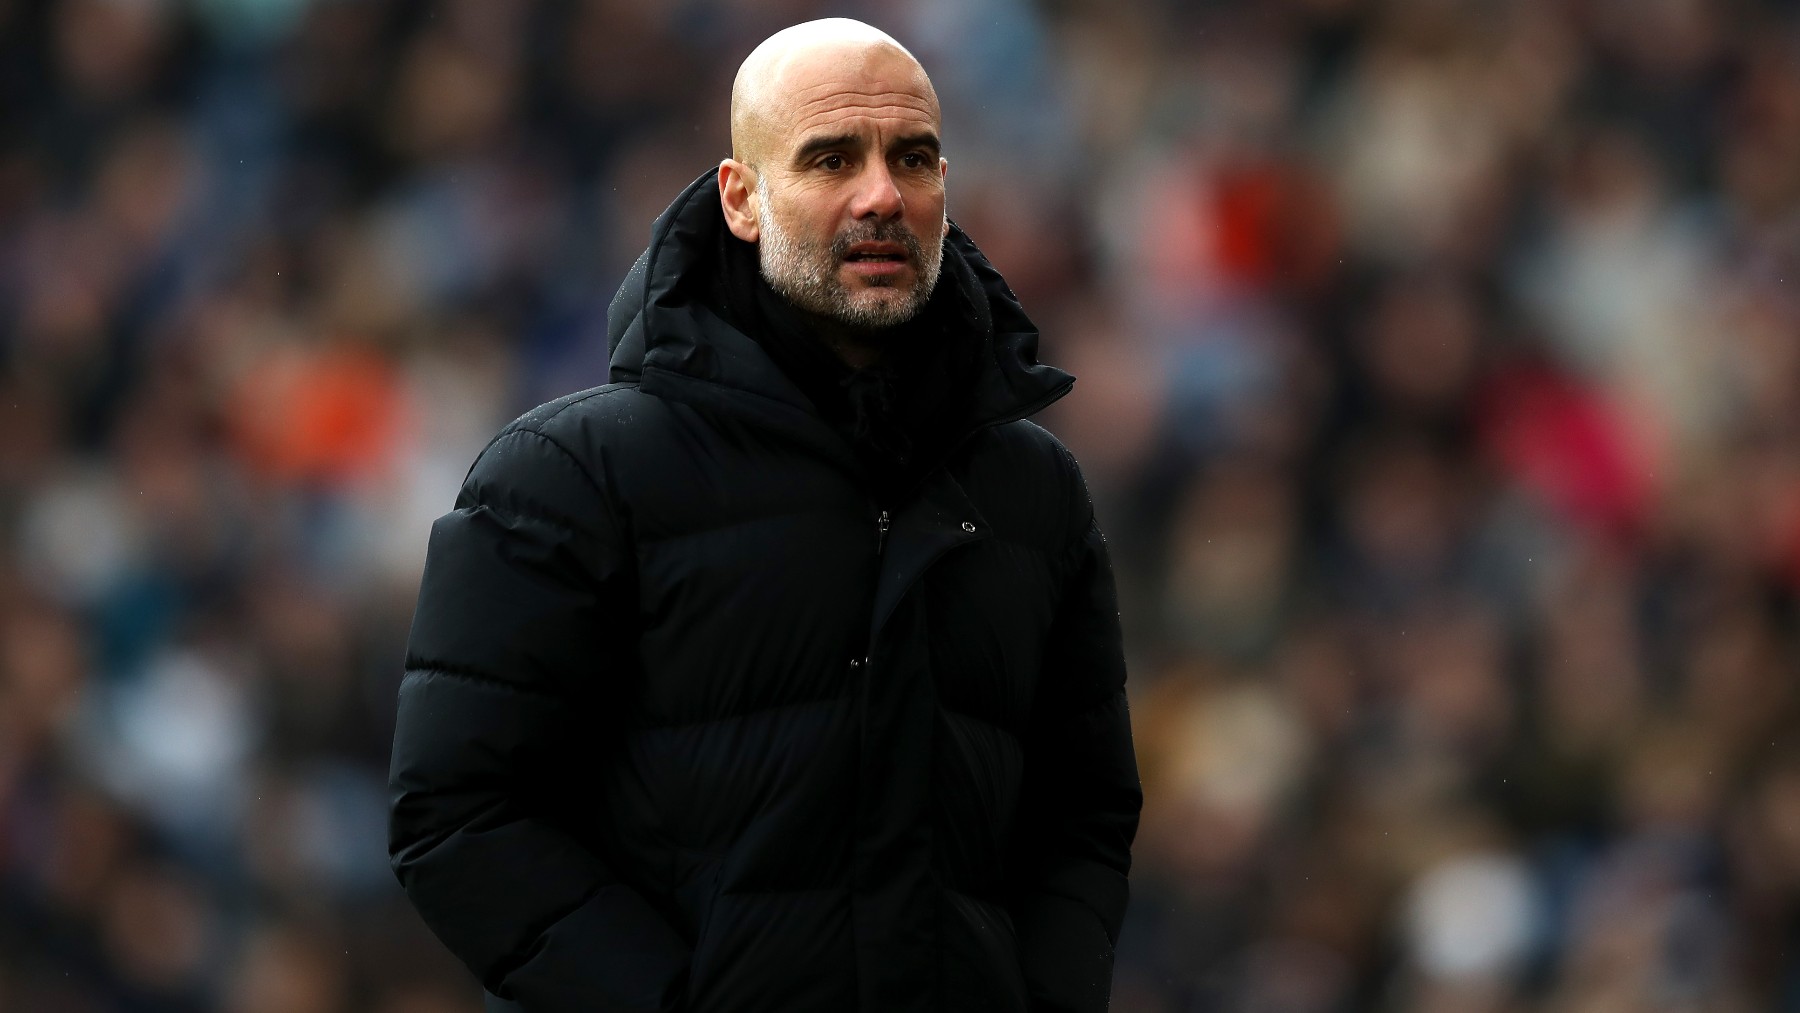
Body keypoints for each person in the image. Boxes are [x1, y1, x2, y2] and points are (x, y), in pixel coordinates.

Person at [387, 18, 1141, 1013]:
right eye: (832, 158)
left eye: (911, 158)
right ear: (742, 199)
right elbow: (458, 813)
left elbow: (1082, 814)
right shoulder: (570, 476)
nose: (881, 194)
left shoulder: (1032, 491)